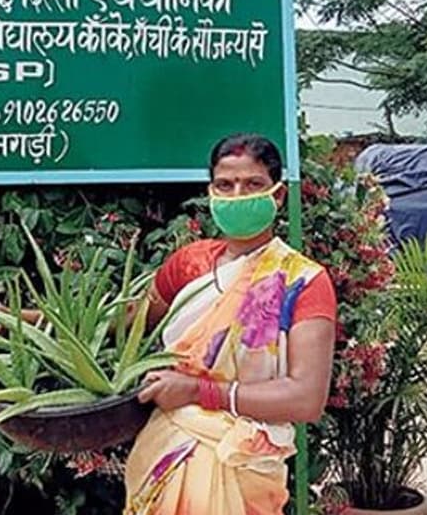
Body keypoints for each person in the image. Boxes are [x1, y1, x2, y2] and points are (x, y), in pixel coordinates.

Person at [124, 133, 337, 515]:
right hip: (168, 452)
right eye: (225, 185)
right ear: (210, 193)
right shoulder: (189, 265)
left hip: (244, 467)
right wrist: (29, 319)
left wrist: (198, 391)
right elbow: (129, 320)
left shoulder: (302, 281)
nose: (237, 195)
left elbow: (306, 398)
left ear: (277, 195)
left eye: (252, 184)